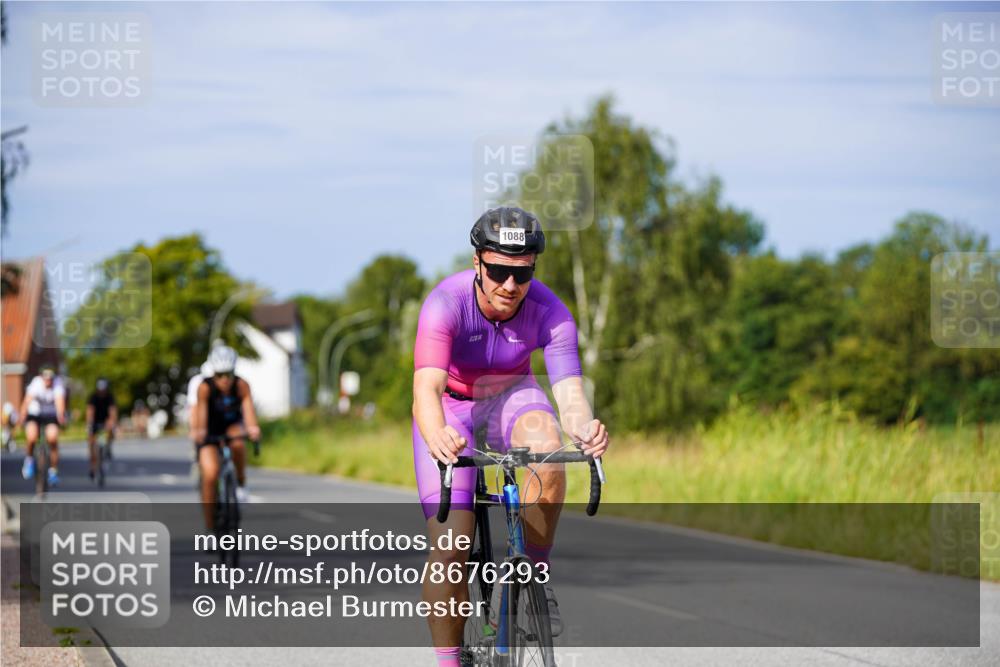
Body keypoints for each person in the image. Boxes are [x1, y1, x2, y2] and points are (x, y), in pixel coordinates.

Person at [412, 206, 610, 665]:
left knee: (550, 451)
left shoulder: (551, 311)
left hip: (513, 396)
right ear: (478, 262)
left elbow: (569, 393)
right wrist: (437, 433)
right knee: (450, 548)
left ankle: (536, 574)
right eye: (498, 270)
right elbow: (426, 388)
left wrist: (584, 428)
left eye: (521, 275)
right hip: (451, 407)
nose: (509, 286)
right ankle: (449, 659)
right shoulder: (446, 303)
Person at [190, 345, 260, 531]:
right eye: (220, 375)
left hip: (232, 427)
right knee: (210, 474)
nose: (225, 380)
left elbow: (248, 411)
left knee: (238, 443)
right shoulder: (205, 388)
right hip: (211, 430)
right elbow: (201, 415)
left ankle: (241, 485)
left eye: (228, 374)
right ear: (214, 373)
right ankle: (210, 529)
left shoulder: (241, 385)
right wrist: (200, 432)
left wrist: (253, 429)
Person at [19, 365, 67, 486]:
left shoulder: (58, 384)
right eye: (45, 378)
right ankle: (29, 460)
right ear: (41, 377)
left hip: (51, 415)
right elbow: (27, 401)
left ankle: (53, 471)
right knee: (31, 437)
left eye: (50, 378)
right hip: (35, 413)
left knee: (53, 438)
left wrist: (61, 417)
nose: (48, 381)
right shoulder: (36, 383)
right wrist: (22, 416)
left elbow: (60, 402)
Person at [85, 378, 118, 480]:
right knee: (91, 441)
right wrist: (89, 423)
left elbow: (113, 411)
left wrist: (112, 422)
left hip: (105, 420)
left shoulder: (110, 397)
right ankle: (92, 467)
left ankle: (108, 446)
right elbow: (90, 411)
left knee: (111, 430)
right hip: (95, 421)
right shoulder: (93, 397)